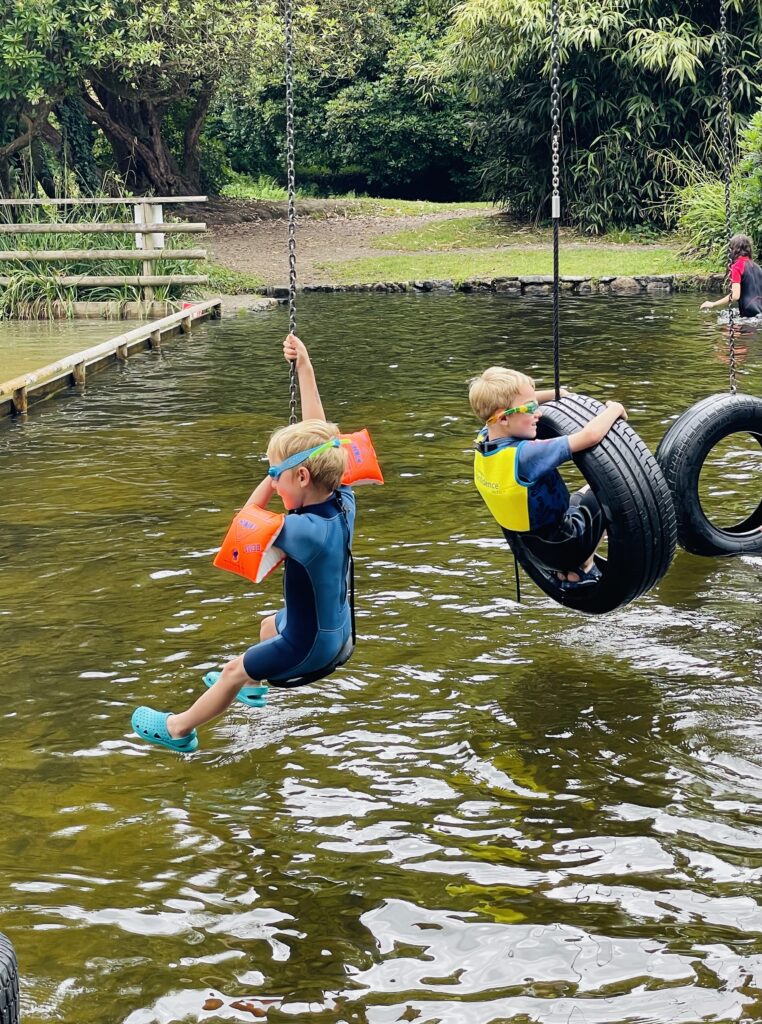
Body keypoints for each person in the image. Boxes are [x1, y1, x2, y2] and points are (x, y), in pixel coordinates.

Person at [131, 334, 356, 752]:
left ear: (301, 478)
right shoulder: (343, 499)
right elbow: (324, 437)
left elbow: (244, 524)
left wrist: (268, 483)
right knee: (270, 624)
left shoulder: (299, 531)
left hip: (310, 650)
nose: (273, 480)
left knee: (233, 670)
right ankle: (254, 687)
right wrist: (304, 367)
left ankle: (179, 729)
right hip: (338, 632)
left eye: (276, 474)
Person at [469, 367, 627, 587]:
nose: (539, 413)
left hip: (532, 552)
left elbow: (508, 408)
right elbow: (590, 436)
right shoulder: (526, 455)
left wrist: (556, 393)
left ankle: (567, 569)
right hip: (568, 546)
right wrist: (614, 409)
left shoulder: (485, 438)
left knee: (580, 496)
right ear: (504, 419)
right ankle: (583, 567)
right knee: (611, 488)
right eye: (531, 408)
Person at [700, 233, 762, 318]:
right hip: (759, 312)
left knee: (719, 328)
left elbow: (735, 295)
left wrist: (713, 304)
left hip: (748, 313)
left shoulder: (737, 266)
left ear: (732, 250)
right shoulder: (758, 268)